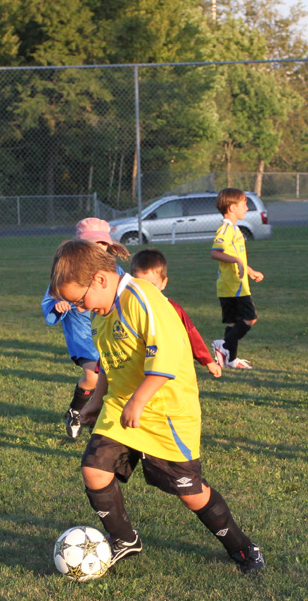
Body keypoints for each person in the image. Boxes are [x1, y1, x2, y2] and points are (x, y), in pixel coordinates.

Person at [48, 239, 265, 574]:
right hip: (122, 406)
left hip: (165, 411)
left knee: (190, 492)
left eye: (80, 299)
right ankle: (124, 539)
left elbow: (167, 357)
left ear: (101, 280)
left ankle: (242, 548)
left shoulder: (142, 299)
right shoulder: (101, 312)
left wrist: (139, 400)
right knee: (94, 469)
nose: (81, 307)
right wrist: (96, 400)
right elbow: (109, 361)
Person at [41, 218, 129, 439]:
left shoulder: (114, 269)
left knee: (113, 379)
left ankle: (100, 418)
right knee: (93, 376)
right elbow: (49, 301)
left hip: (110, 334)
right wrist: (58, 306)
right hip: (82, 336)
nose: (98, 249)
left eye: (102, 244)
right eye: (93, 244)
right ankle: (75, 411)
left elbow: (125, 294)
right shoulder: (67, 271)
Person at [129, 248, 223, 379]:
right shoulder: (126, 309)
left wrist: (208, 361)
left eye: (151, 285)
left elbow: (191, 334)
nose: (146, 291)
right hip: (135, 370)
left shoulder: (172, 308)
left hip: (165, 369)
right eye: (140, 285)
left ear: (163, 283)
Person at [210, 188, 264, 370]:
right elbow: (215, 253)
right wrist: (236, 262)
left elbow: (235, 257)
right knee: (250, 318)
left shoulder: (233, 228)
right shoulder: (226, 229)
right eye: (244, 204)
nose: (247, 208)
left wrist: (249, 271)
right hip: (234, 285)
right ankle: (223, 345)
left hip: (229, 284)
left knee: (233, 322)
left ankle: (230, 360)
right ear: (233, 208)